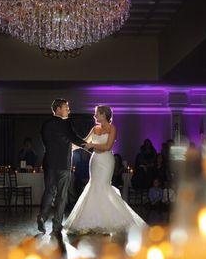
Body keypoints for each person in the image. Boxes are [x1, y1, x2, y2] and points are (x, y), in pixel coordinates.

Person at [63, 105, 147, 234]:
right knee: (93, 187)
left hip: (106, 161)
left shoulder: (112, 128)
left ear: (104, 115)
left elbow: (108, 146)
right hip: (95, 160)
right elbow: (85, 143)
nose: (94, 115)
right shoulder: (94, 128)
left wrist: (92, 145)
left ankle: (116, 221)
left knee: (103, 187)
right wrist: (68, 147)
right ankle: (94, 222)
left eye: (97, 113)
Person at [38, 99, 87, 233]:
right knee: (62, 195)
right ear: (58, 109)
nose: (68, 110)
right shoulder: (65, 124)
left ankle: (42, 217)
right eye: (66, 107)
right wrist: (88, 146)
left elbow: (47, 142)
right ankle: (57, 224)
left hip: (49, 162)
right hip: (63, 164)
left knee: (49, 192)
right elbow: (74, 138)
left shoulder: (46, 124)